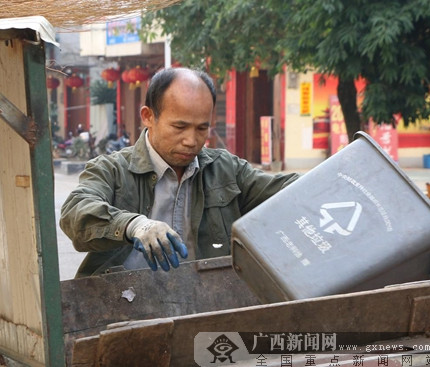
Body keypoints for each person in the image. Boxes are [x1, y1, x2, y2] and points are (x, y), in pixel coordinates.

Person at [59, 67, 299, 277]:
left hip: (204, 306)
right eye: (179, 126)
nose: (191, 140)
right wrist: (134, 226)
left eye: (202, 128)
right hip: (123, 305)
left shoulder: (227, 170)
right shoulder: (112, 169)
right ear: (148, 117)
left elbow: (292, 189)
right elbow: (75, 212)